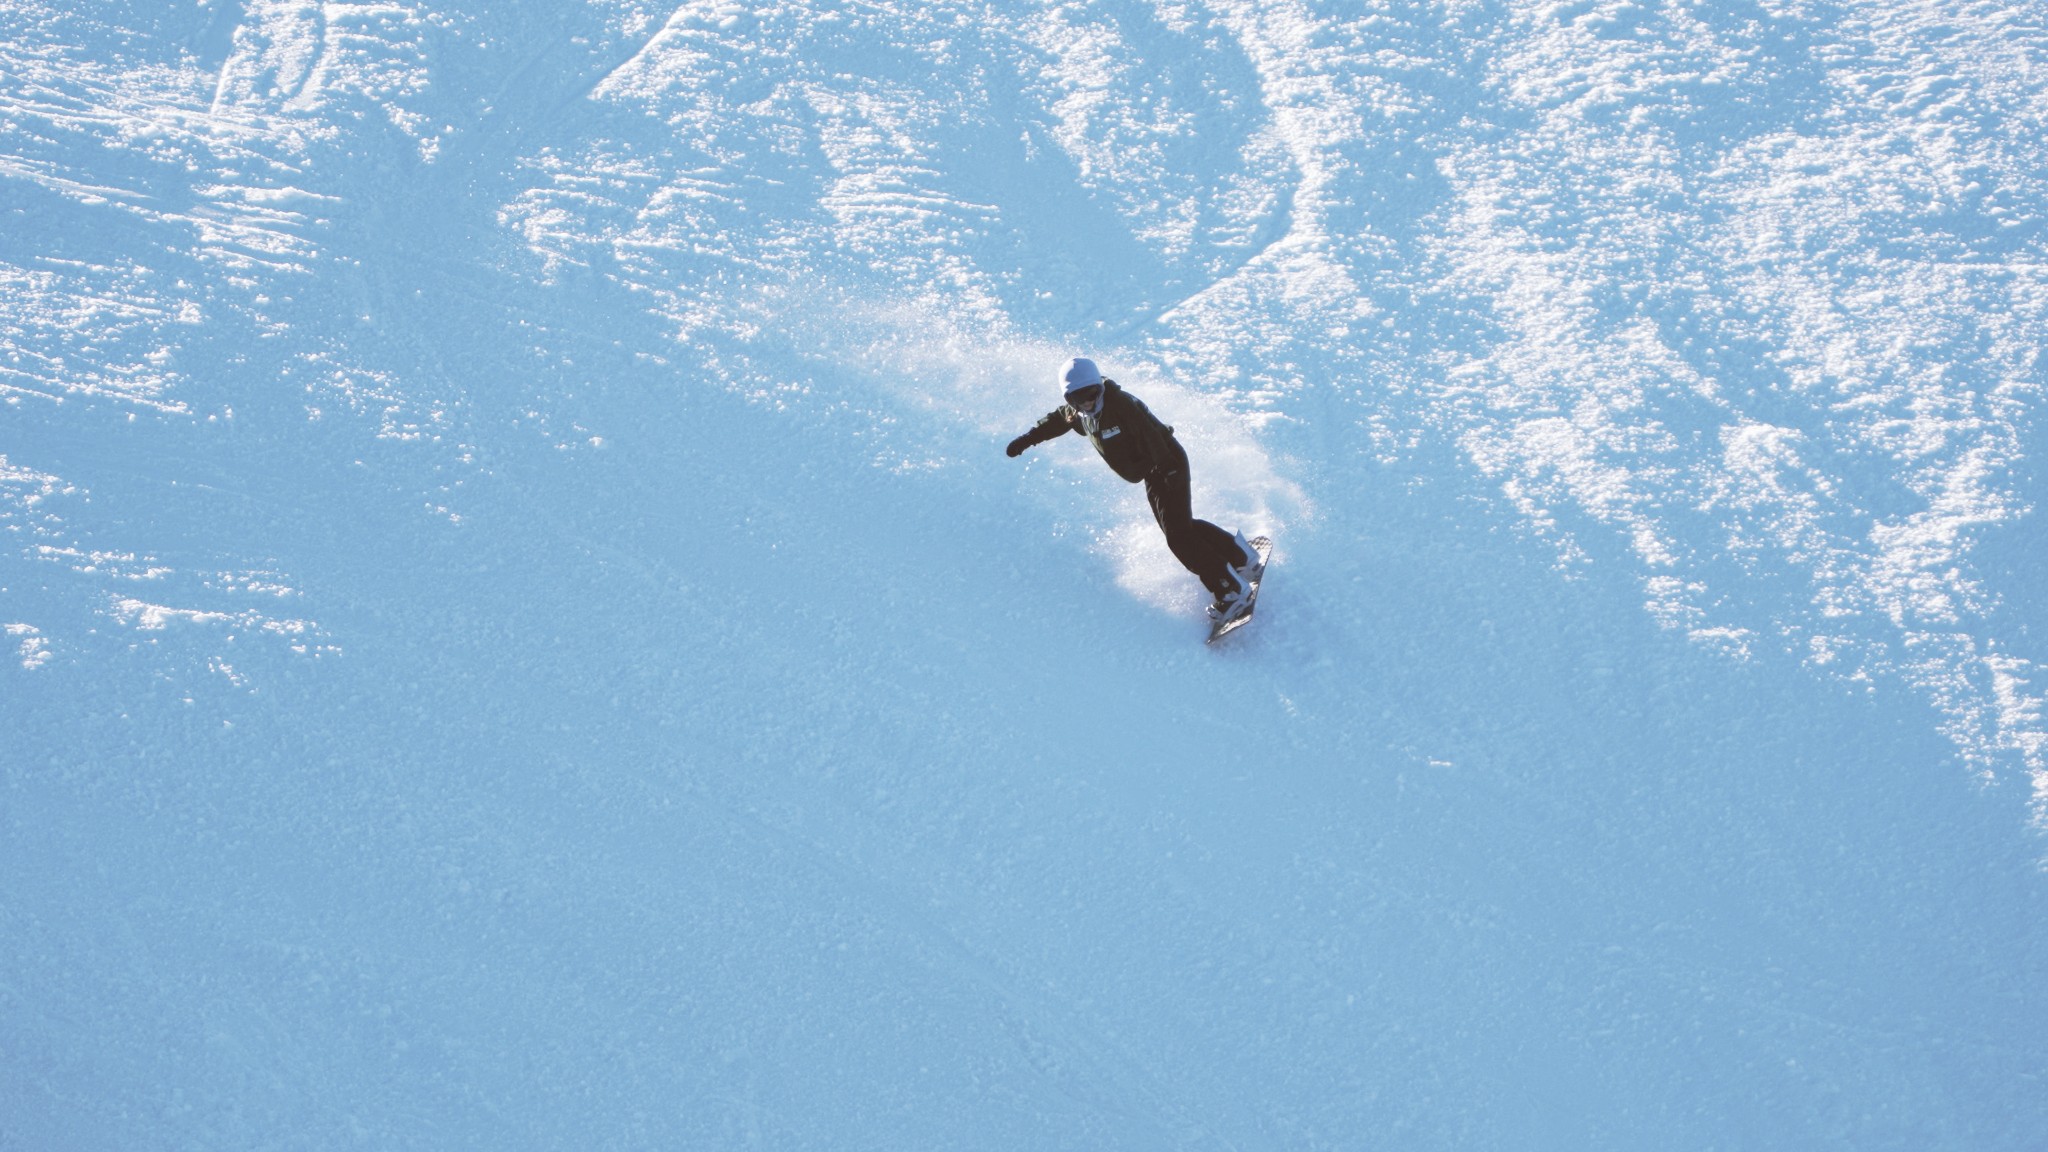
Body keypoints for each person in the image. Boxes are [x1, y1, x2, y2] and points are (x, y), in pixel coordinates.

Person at [1006, 357, 1257, 621]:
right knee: (1182, 527)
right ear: (1070, 399)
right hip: (1153, 471)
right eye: (1079, 399)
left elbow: (1153, 435)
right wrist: (1027, 440)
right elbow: (1057, 421)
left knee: (1179, 538)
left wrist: (1167, 471)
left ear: (1099, 388)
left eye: (1092, 394)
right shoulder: (1081, 414)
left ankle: (1231, 591)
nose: (1088, 402)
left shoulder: (1120, 405)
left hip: (1166, 464)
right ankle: (1241, 558)